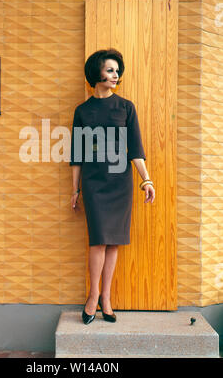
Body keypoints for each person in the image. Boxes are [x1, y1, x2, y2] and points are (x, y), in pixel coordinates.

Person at [69, 48, 155, 324]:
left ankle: (106, 297)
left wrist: (146, 179)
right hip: (94, 184)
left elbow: (136, 150)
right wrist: (75, 190)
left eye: (117, 70)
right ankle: (92, 296)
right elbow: (76, 156)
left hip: (120, 182)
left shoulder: (126, 107)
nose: (115, 74)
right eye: (109, 70)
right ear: (96, 73)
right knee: (98, 241)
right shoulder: (82, 111)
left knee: (114, 242)